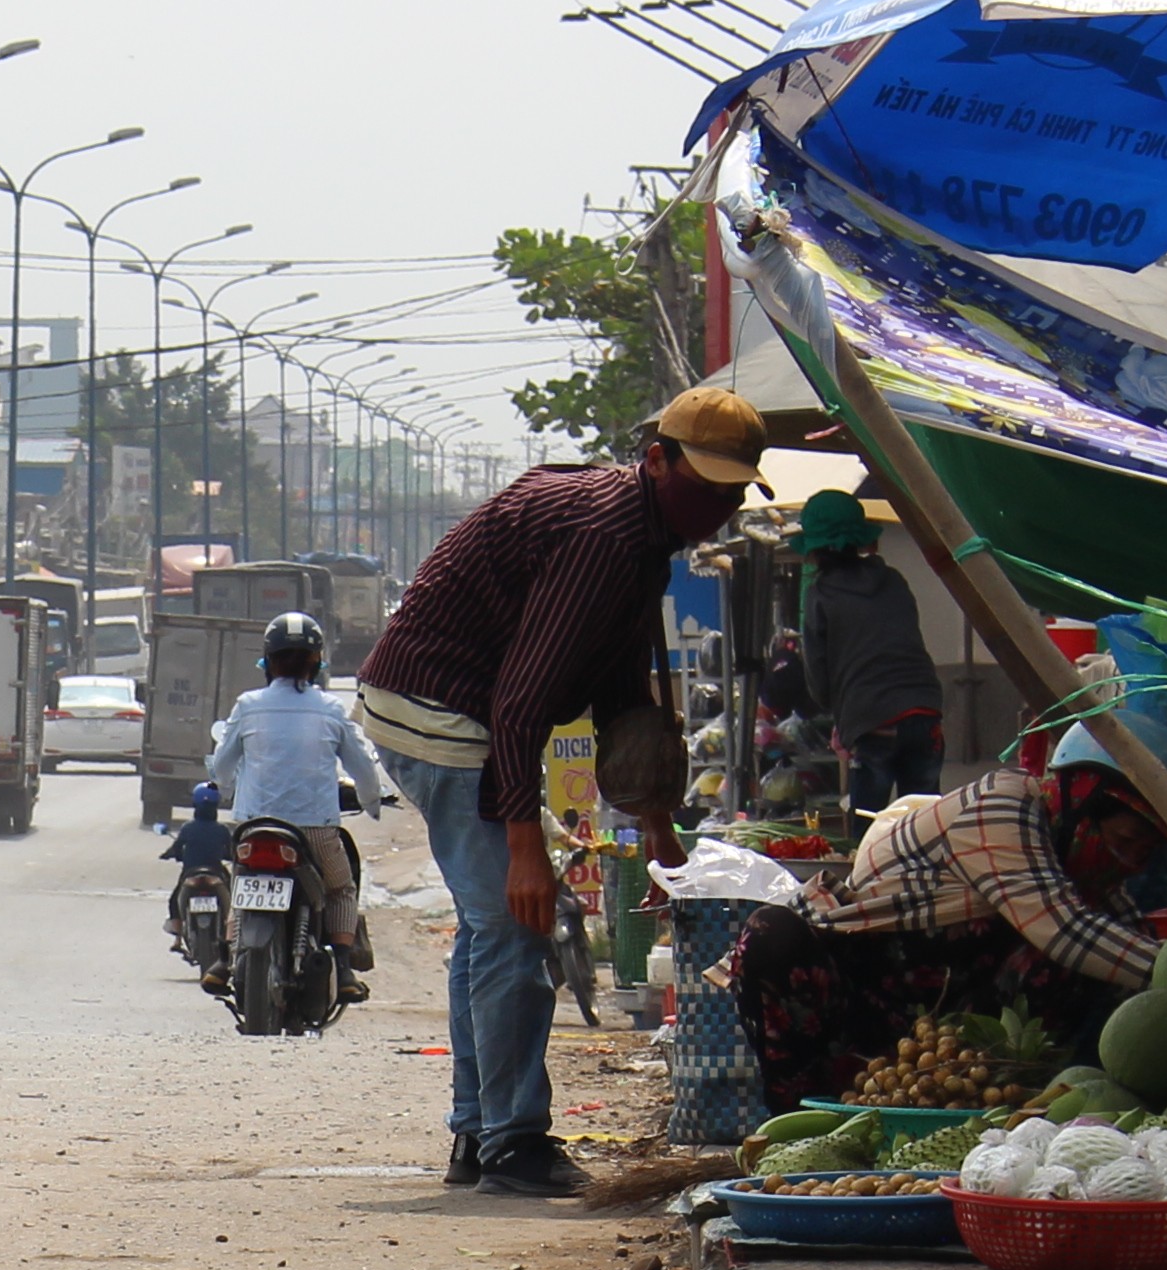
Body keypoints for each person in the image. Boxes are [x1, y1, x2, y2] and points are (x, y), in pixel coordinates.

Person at [355, 386, 760, 1194]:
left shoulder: (646, 533)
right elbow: (520, 702)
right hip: (443, 709)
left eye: (732, 492)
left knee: (489, 929)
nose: (715, 506)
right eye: (703, 485)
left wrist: (658, 828)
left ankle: (480, 1133)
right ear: (657, 460)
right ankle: (513, 1141)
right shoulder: (605, 534)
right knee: (514, 920)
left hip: (454, 707)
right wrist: (525, 850)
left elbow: (618, 689)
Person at [722, 723, 1167, 1109]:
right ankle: (792, 1120)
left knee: (1091, 971)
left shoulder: (1086, 880)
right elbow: (1064, 927)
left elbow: (1124, 939)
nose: (1128, 862)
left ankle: (1002, 1106)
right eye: (1124, 839)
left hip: (940, 1052)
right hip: (857, 996)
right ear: (1081, 805)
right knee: (771, 935)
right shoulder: (1004, 804)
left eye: (1143, 854)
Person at [199, 610, 394, 986]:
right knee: (340, 889)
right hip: (315, 828)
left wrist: (222, 788)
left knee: (243, 880)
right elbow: (363, 769)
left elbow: (222, 766)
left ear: (267, 661)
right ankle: (345, 968)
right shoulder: (330, 708)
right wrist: (371, 802)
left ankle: (224, 960)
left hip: (253, 824)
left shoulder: (247, 705)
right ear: (317, 662)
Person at [796, 489, 944, 817]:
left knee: (870, 829)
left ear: (815, 549)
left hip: (872, 718)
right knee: (925, 825)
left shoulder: (819, 595)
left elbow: (819, 682)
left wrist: (840, 712)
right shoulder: (893, 580)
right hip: (924, 709)